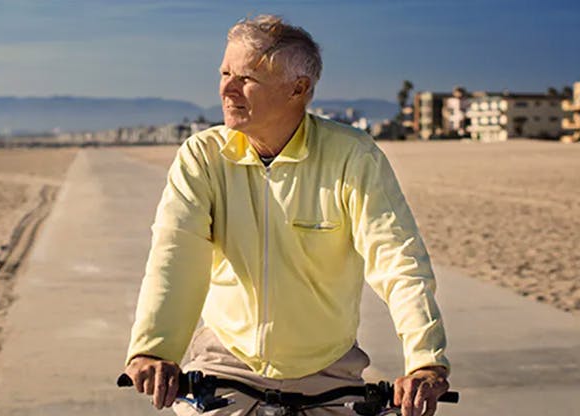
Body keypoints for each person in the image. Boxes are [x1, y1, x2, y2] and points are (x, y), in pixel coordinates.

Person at [124, 15, 451, 416]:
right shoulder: (202, 157)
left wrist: (424, 361)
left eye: (247, 79)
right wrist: (154, 350)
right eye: (224, 73)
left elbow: (398, 261)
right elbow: (174, 256)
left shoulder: (352, 156)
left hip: (329, 368)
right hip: (224, 362)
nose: (227, 89)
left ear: (299, 89)